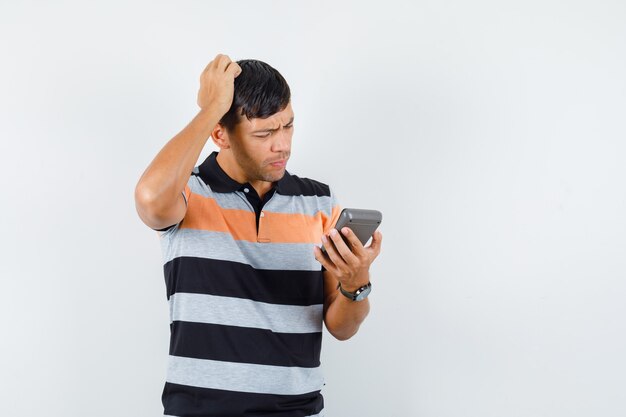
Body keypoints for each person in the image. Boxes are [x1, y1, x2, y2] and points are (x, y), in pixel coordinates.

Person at [134, 54, 383, 417]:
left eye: (288, 126)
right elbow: (149, 198)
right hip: (199, 410)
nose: (281, 144)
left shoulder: (317, 202)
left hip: (295, 410)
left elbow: (342, 328)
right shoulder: (187, 193)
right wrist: (211, 108)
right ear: (220, 134)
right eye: (265, 133)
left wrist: (355, 285)